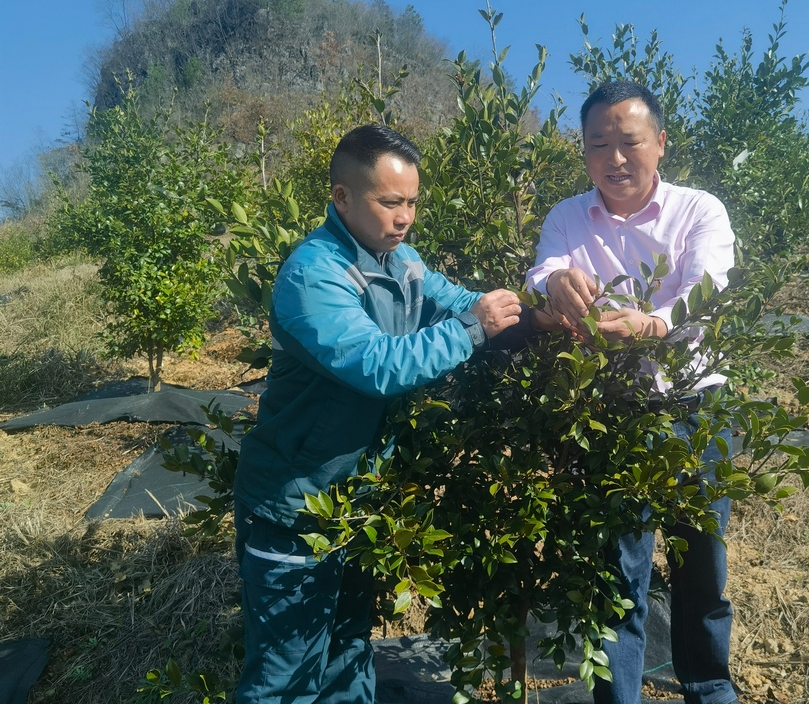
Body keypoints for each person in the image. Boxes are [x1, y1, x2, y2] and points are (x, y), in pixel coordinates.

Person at [232, 124, 527, 704]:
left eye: (412, 202)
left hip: (357, 502)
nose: (405, 217)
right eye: (390, 202)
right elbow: (377, 365)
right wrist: (474, 329)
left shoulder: (402, 261)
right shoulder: (314, 274)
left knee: (347, 647)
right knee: (286, 675)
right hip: (294, 504)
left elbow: (458, 301)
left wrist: (533, 314)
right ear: (342, 197)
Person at [526, 80, 738, 704]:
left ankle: (710, 688)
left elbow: (707, 292)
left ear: (661, 143)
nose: (614, 159)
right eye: (599, 144)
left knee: (702, 565)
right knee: (617, 573)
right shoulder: (567, 217)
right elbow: (543, 270)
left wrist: (653, 325)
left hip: (695, 407)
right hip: (609, 411)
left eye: (629, 142)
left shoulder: (699, 210)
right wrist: (553, 283)